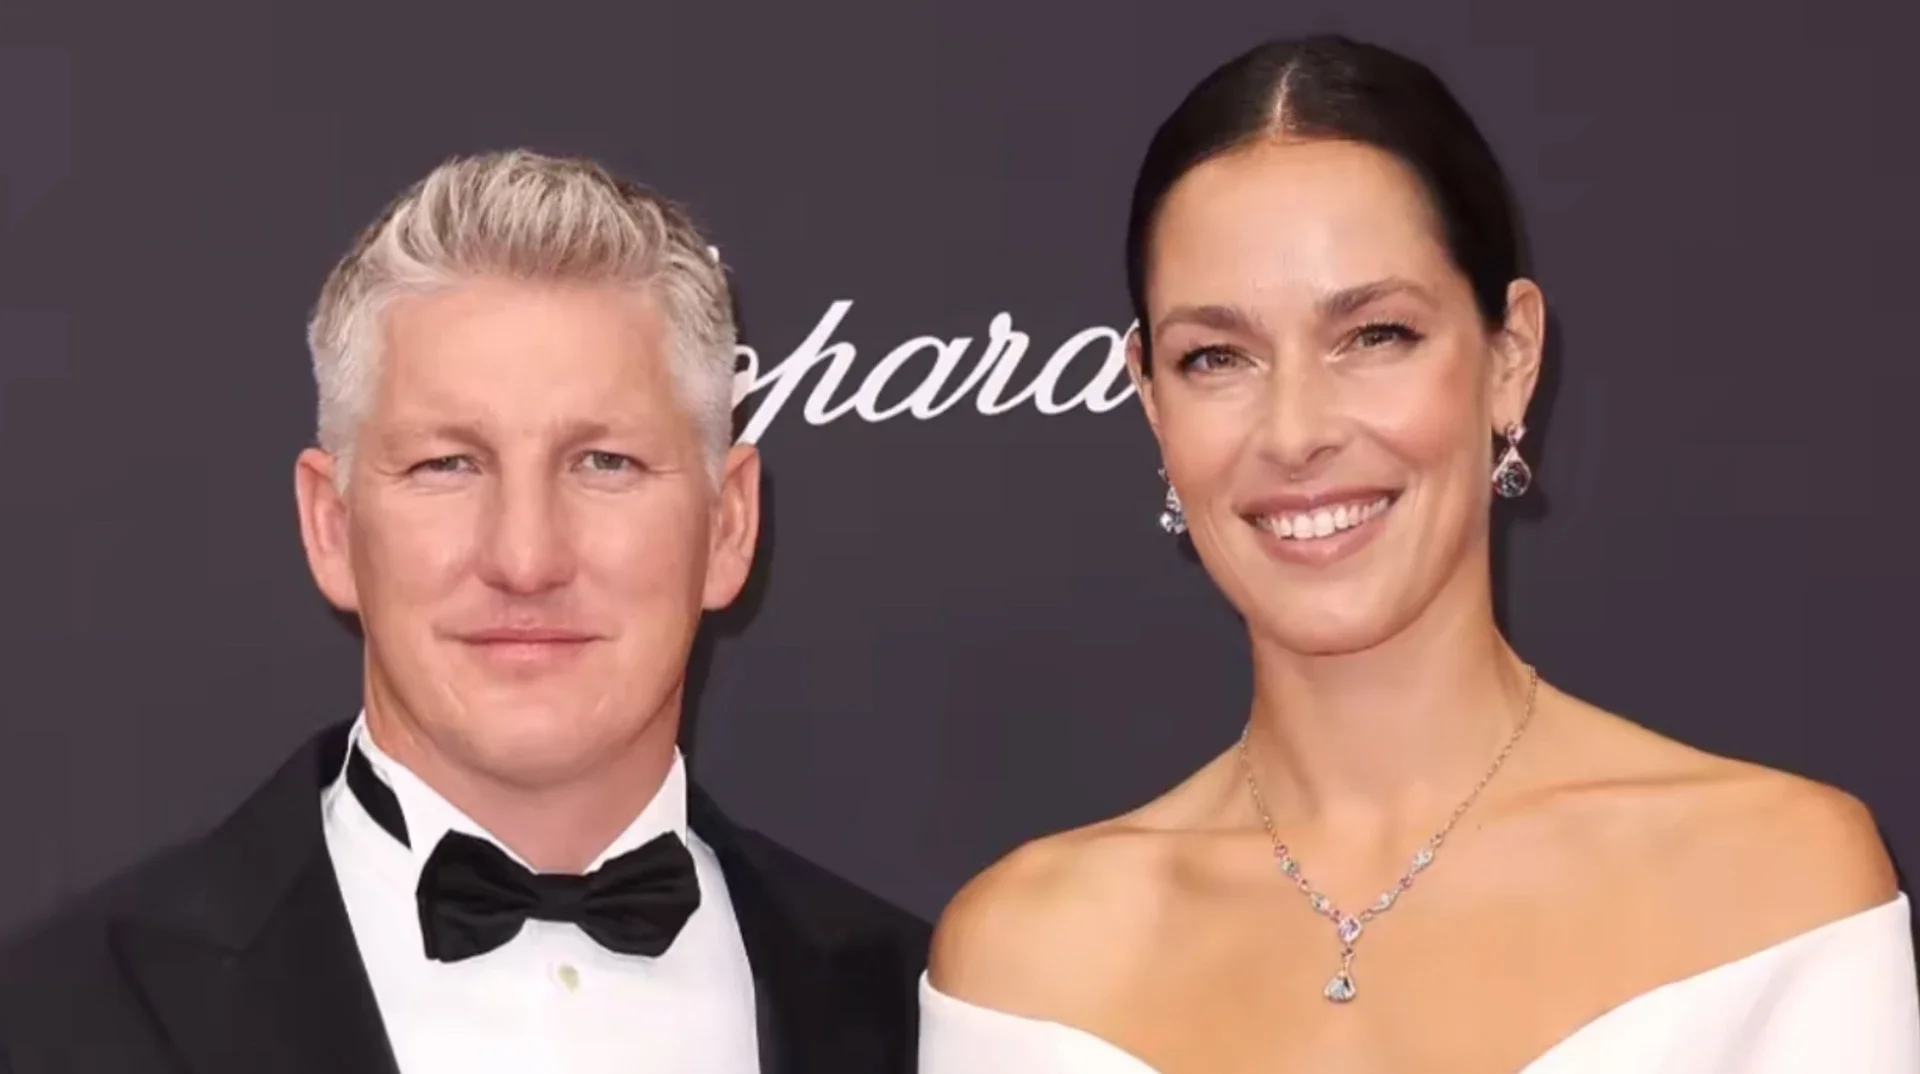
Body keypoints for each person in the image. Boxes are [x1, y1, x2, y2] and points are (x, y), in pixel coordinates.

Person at [919, 35, 1918, 1074]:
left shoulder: (1779, 889)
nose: (1296, 432)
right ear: (1152, 402)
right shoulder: (1024, 963)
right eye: (1216, 357)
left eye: (1375, 335)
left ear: (1510, 357)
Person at [0, 150, 928, 1074]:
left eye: (605, 463)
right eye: (447, 465)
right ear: (332, 527)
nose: (525, 560)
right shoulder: (49, 1021)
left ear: (728, 526)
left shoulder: (921, 1019)